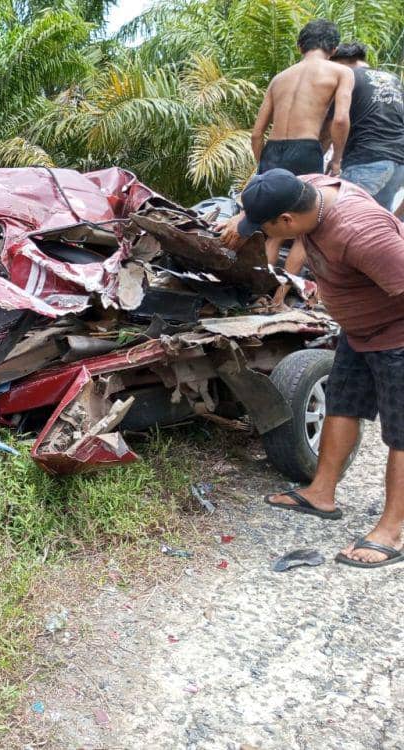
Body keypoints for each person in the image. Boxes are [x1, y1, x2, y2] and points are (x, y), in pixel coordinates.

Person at [239, 169, 404, 569]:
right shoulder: (307, 187)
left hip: (397, 334)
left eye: (265, 227)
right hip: (359, 328)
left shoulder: (360, 231)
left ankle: (392, 530)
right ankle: (321, 493)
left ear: (288, 223)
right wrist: (240, 220)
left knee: (401, 433)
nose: (263, 232)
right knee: (342, 404)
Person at [219, 19, 355, 295]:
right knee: (304, 232)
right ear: (334, 47)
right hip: (305, 149)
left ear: (299, 46)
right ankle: (279, 297)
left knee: (270, 228)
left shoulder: (280, 78)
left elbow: (256, 134)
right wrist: (337, 159)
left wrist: (262, 168)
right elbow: (340, 119)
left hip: (272, 149)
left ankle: (259, 294)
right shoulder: (340, 72)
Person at [328, 41, 404, 216]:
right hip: (399, 162)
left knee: (339, 218)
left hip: (367, 159)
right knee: (375, 223)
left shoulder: (348, 77)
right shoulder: (392, 79)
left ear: (341, 62)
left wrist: (335, 160)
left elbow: (336, 122)